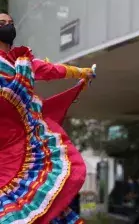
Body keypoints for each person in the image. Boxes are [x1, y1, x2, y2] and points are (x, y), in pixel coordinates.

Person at [0, 12, 96, 223]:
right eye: (1, 23)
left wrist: (81, 72)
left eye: (10, 23)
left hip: (26, 142)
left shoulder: (21, 62)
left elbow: (50, 70)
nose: (7, 26)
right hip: (4, 145)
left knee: (43, 202)